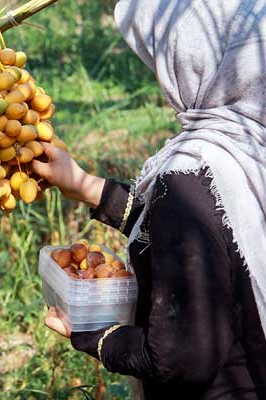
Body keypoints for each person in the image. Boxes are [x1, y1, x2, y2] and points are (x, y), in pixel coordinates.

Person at [32, 0, 266, 399]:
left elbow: (176, 359)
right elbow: (210, 236)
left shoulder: (193, 175)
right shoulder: (249, 150)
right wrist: (85, 185)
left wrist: (92, 335)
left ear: (188, 63)